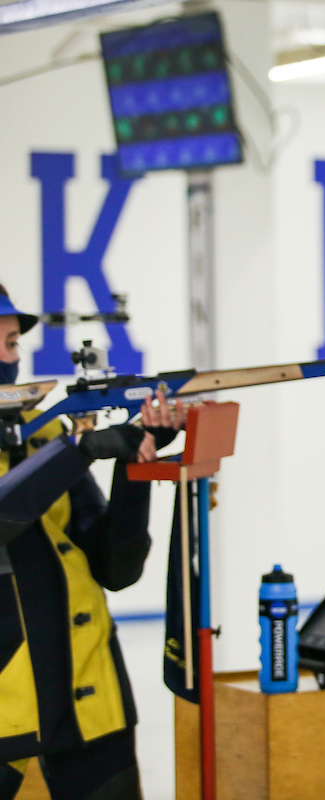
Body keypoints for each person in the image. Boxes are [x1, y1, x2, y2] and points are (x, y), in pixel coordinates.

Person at [0, 284, 183, 800]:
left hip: (86, 692)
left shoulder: (40, 438)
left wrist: (132, 461)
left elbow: (115, 568)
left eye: (14, 344)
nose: (14, 359)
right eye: (9, 346)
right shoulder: (57, 448)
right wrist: (78, 449)